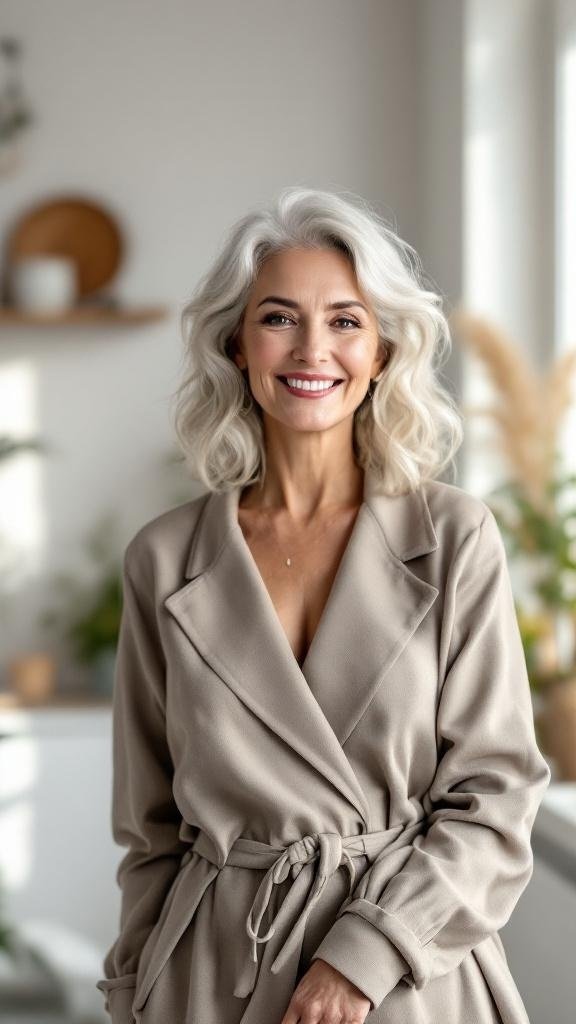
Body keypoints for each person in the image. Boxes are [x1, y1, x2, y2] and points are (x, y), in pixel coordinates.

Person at [96, 186, 551, 1024]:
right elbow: (149, 829)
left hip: (408, 973)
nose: (313, 348)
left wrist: (362, 961)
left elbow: (496, 795)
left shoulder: (453, 538)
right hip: (212, 975)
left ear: (383, 352)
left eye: (346, 320)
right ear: (236, 344)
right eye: (279, 318)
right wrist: (133, 993)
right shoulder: (163, 560)